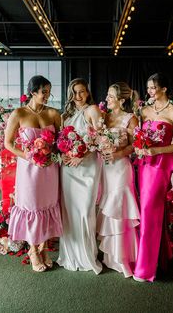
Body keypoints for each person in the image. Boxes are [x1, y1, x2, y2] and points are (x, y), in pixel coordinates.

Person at [4, 75, 62, 272]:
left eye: (48, 91)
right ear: (33, 92)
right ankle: (32, 250)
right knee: (32, 206)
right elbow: (8, 143)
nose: (47, 95)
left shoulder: (53, 113)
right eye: (43, 92)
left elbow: (60, 143)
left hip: (49, 169)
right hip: (29, 170)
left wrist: (52, 153)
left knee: (47, 206)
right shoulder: (19, 114)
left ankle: (44, 247)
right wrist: (27, 156)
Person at [133, 72, 173, 282]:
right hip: (144, 165)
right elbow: (138, 137)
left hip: (160, 166)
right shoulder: (144, 110)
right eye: (148, 88)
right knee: (146, 211)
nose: (150, 92)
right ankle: (158, 260)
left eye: (153, 88)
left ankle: (145, 269)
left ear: (163, 89)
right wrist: (139, 148)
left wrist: (158, 151)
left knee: (149, 210)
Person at [57, 78, 103, 274]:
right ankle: (70, 254)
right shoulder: (65, 115)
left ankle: (87, 255)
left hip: (87, 166)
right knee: (69, 211)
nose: (78, 96)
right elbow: (60, 139)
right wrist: (65, 154)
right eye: (74, 92)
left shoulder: (92, 110)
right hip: (68, 168)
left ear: (88, 92)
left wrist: (81, 155)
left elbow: (100, 138)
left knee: (85, 210)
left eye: (82, 91)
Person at [96, 82, 140, 278]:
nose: (107, 99)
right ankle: (110, 257)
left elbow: (135, 145)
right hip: (105, 169)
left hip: (121, 168)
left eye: (111, 96)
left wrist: (118, 153)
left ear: (122, 100)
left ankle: (123, 258)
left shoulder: (131, 119)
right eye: (107, 95)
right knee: (108, 208)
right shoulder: (103, 118)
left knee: (120, 209)